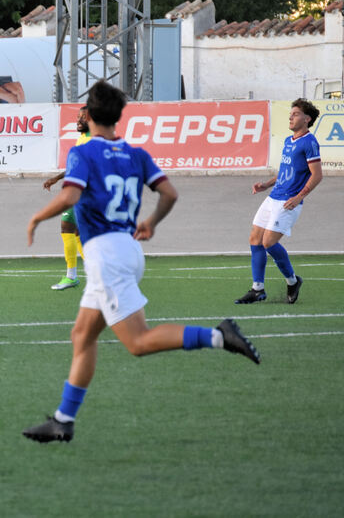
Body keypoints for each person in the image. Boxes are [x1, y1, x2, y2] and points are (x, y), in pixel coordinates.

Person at [22, 80, 260, 444]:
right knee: (82, 335)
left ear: (87, 113)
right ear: (118, 117)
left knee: (138, 342)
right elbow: (169, 192)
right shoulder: (136, 154)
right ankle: (62, 421)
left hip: (106, 256)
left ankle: (219, 336)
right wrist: (151, 222)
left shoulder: (82, 152)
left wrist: (38, 217)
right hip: (127, 249)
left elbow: (71, 194)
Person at [236, 98, 322, 305]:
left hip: (289, 201)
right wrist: (266, 184)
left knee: (268, 243)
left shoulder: (309, 142)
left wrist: (299, 197)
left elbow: (317, 175)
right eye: (291, 113)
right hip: (273, 197)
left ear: (307, 118)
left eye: (296, 114)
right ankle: (258, 289)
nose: (291, 117)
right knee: (255, 240)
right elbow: (285, 171)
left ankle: (293, 281)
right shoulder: (287, 141)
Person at [42, 106, 91, 290]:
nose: (78, 121)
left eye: (83, 118)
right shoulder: (83, 138)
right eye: (78, 117)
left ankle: (83, 275)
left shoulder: (89, 140)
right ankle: (76, 276)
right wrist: (56, 179)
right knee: (72, 230)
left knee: (73, 230)